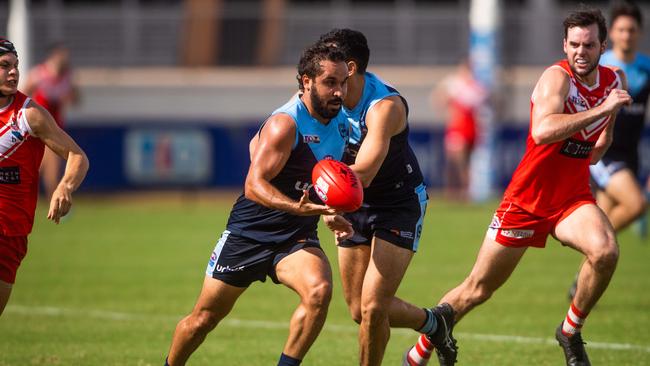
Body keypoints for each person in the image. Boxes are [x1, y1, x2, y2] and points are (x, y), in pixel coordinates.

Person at [403, 9, 631, 366]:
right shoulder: (556, 79)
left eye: (588, 44)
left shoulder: (614, 80)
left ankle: (570, 331)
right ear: (564, 45)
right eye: (573, 44)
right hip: (527, 199)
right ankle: (418, 353)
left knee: (605, 252)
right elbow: (541, 132)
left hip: (570, 198)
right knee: (478, 289)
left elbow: (597, 150)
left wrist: (607, 119)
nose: (580, 52)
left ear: (603, 45)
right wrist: (601, 109)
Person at [164, 43, 350, 366]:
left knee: (319, 291)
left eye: (342, 83)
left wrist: (331, 213)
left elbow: (322, 182)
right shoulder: (286, 124)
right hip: (250, 233)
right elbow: (253, 185)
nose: (338, 92)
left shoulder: (343, 125)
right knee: (203, 320)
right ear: (307, 81)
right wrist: (297, 207)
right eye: (330, 83)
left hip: (295, 237)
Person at [315, 29, 453, 366]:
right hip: (353, 203)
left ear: (349, 67)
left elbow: (363, 172)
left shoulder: (384, 106)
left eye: (331, 60)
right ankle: (435, 322)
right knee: (358, 311)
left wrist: (328, 207)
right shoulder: (324, 96)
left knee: (374, 306)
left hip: (397, 203)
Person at [0, 38, 89, 316]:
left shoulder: (29, 115)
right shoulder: (40, 76)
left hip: (8, 234)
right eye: (5, 66)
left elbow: (78, 157)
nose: (13, 72)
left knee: (51, 174)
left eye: (15, 66)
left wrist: (65, 187)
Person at [568, 0, 650, 299]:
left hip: (629, 156)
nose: (626, 35)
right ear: (610, 35)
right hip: (603, 153)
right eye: (621, 29)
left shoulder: (646, 68)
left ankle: (582, 281)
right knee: (636, 205)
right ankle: (591, 252)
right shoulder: (601, 66)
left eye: (631, 30)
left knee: (605, 221)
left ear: (639, 33)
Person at [23, 43, 80, 201]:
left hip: (55, 128)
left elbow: (76, 99)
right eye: (62, 55)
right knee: (47, 167)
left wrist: (71, 94)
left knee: (45, 167)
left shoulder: (67, 77)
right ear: (53, 56)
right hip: (37, 128)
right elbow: (22, 95)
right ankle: (53, 199)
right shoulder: (38, 75)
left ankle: (50, 199)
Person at [433, 60, 487, 201]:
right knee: (454, 161)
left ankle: (463, 192)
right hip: (458, 128)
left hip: (467, 128)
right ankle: (454, 191)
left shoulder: (474, 87)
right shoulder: (455, 84)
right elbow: (439, 98)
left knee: (463, 162)